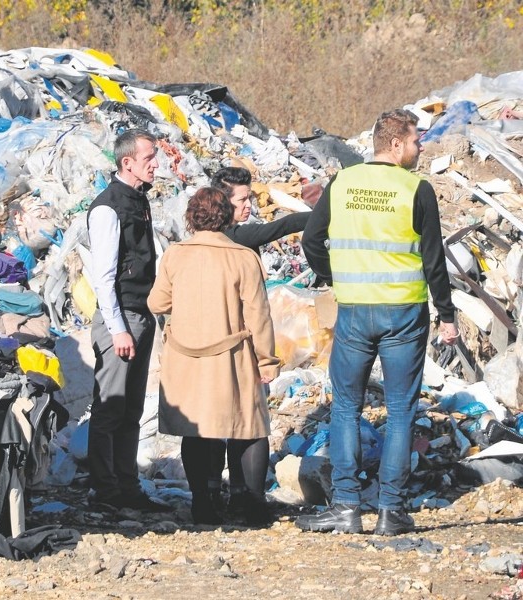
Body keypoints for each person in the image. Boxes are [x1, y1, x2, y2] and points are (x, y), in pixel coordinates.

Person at [298, 109, 458, 536]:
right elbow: (433, 259)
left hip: (354, 311)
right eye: (416, 140)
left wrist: (334, 275)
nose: (420, 147)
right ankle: (391, 510)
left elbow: (311, 240)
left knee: (347, 407)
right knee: (402, 409)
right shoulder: (415, 189)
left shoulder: (342, 183)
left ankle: (347, 506)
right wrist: (447, 314)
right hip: (404, 313)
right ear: (395, 145)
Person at [147, 187, 280, 525]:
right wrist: (267, 360)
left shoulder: (175, 255)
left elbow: (157, 303)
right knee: (249, 427)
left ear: (192, 217)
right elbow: (258, 316)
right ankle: (250, 503)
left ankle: (202, 501)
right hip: (230, 355)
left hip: (186, 356)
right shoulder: (243, 257)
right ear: (225, 216)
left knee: (198, 428)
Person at [207, 166, 317, 517]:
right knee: (246, 420)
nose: (249, 205)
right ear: (222, 202)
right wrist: (315, 217)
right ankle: (245, 499)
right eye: (242, 199)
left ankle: (214, 497)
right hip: (233, 343)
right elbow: (274, 229)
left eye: (251, 198)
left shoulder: (205, 238)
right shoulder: (230, 239)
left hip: (216, 343)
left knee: (221, 422)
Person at [86, 128, 169, 511]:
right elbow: (103, 276)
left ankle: (127, 487)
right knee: (110, 408)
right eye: (149, 158)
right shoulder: (108, 207)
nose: (156, 164)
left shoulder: (138, 200)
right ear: (128, 162)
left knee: (131, 409)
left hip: (141, 316)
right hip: (121, 320)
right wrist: (118, 329)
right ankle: (106, 491)